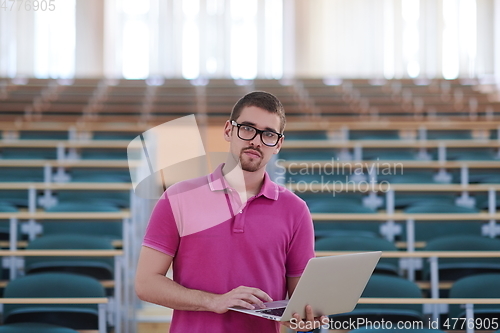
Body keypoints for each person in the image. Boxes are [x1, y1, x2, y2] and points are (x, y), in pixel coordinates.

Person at [135, 91, 327, 333]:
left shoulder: (295, 210)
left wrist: (304, 318)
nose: (256, 141)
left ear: (278, 144)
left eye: (268, 134)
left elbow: (299, 303)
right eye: (248, 128)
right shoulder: (177, 197)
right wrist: (213, 301)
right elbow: (146, 283)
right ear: (228, 130)